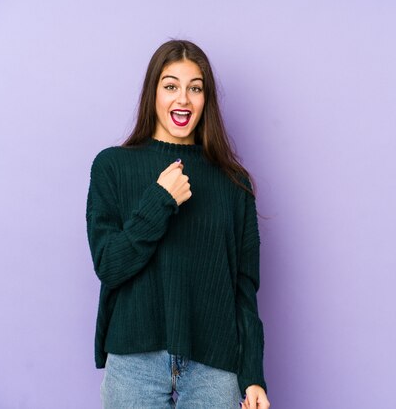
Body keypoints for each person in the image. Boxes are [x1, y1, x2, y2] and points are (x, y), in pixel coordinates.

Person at [85, 39, 270, 409]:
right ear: (153, 93)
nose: (182, 99)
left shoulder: (233, 183)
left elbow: (243, 289)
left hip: (213, 369)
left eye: (195, 88)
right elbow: (109, 264)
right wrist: (161, 200)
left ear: (206, 99)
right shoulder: (112, 167)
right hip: (134, 364)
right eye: (171, 86)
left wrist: (253, 377)